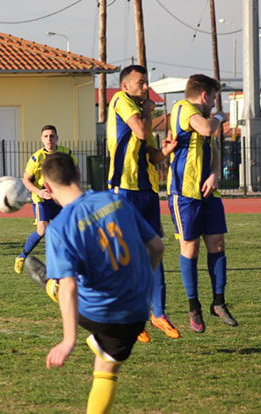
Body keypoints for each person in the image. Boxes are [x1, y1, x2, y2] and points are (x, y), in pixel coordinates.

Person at [40, 152, 163, 414]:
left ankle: (52, 287)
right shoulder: (115, 200)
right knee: (107, 368)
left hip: (96, 313)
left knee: (64, 282)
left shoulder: (59, 227)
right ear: (79, 175)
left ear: (48, 188)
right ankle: (58, 290)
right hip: (135, 312)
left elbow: (71, 286)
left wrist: (68, 340)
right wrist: (140, 287)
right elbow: (156, 246)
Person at [106, 65, 180, 342]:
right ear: (124, 86)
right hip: (124, 188)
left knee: (155, 250)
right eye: (140, 82)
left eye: (146, 82)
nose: (145, 86)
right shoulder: (122, 102)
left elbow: (150, 154)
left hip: (146, 190)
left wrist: (165, 151)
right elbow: (138, 131)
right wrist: (149, 110)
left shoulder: (140, 110)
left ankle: (158, 313)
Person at [168, 74, 237, 332]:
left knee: (217, 242)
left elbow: (213, 150)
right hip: (184, 193)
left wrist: (214, 174)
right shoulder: (183, 108)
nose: (214, 104)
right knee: (190, 248)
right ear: (205, 95)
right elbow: (208, 128)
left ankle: (218, 301)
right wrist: (220, 116)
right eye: (213, 99)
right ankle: (193, 306)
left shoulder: (202, 118)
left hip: (207, 192)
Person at [14, 125, 76, 274]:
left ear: (57, 138)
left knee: (69, 230)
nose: (49, 139)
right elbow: (25, 180)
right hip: (41, 199)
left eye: (52, 136)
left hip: (59, 199)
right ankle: (22, 257)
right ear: (42, 139)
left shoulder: (66, 153)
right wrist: (39, 192)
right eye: (46, 136)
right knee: (42, 229)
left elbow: (74, 174)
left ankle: (66, 263)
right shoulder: (37, 157)